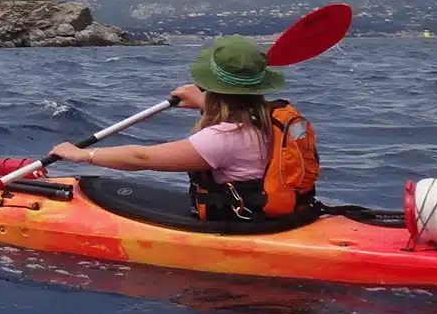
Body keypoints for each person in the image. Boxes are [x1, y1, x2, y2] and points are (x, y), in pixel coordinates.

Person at [47, 34, 291, 221]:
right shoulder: (271, 120)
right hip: (274, 212)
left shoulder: (223, 138)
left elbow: (140, 158)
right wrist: (203, 103)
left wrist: (82, 155)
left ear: (211, 87)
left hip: (240, 221)